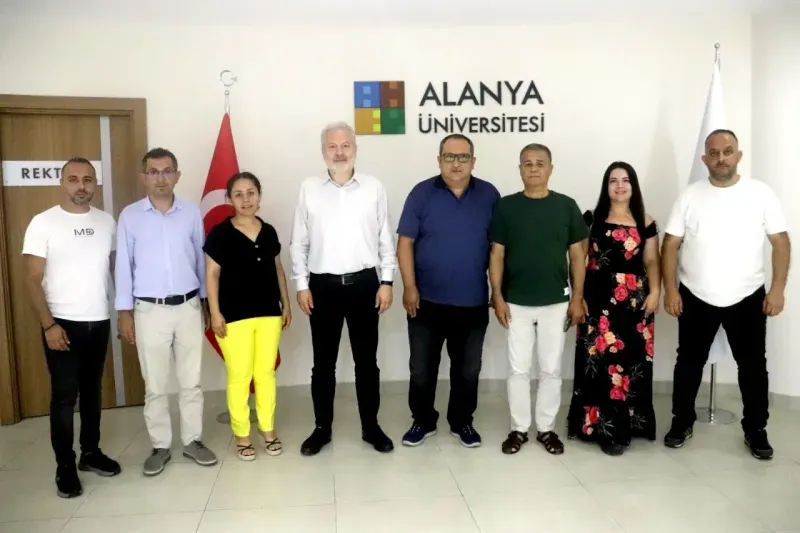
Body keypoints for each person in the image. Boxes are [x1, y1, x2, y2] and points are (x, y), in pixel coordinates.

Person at [661, 129, 790, 460]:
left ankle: (756, 430)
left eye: (727, 151)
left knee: (753, 367)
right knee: (688, 364)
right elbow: (671, 243)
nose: (721, 158)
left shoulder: (760, 194)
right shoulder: (690, 196)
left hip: (747, 296)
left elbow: (780, 241)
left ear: (738, 155)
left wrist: (777, 288)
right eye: (714, 153)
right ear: (705, 158)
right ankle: (681, 423)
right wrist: (671, 289)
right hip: (695, 295)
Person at [290, 121, 397, 456]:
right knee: (323, 364)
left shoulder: (373, 187)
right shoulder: (309, 188)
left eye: (345, 146)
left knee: (367, 362)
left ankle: (371, 427)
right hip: (322, 287)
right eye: (332, 146)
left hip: (365, 284)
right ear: (323, 151)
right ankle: (322, 429)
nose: (339, 152)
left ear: (355, 149)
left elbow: (385, 238)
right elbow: (299, 241)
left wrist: (387, 281)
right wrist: (301, 285)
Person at [22, 157, 121, 498]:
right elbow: (32, 279)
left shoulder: (106, 222)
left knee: (93, 391)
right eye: (74, 179)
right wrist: (48, 324)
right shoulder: (43, 222)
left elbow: (114, 269)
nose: (81, 185)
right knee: (65, 397)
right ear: (63, 182)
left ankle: (90, 453)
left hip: (98, 320)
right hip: (61, 323)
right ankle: (65, 466)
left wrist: (122, 311)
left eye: (88, 179)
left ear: (95, 183)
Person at [115, 147, 218, 476]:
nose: (161, 178)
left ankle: (193, 441)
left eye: (167, 171)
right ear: (143, 177)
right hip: (149, 311)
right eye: (154, 171)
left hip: (188, 307)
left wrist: (205, 302)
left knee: (191, 382)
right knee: (155, 385)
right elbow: (123, 266)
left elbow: (201, 260)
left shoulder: (191, 213)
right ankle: (160, 446)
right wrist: (124, 311)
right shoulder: (130, 216)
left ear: (177, 175)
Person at [396, 134, 499, 448]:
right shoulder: (421, 193)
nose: (456, 163)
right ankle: (423, 420)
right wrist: (409, 287)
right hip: (425, 301)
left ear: (473, 161)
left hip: (472, 302)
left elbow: (499, 248)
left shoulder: (489, 195)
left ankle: (462, 421)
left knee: (468, 370)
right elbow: (405, 242)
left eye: (463, 157)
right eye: (449, 157)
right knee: (421, 369)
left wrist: (498, 291)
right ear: (439, 160)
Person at [489, 143, 588, 456]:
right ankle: (518, 429)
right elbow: (497, 254)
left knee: (550, 369)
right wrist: (497, 296)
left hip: (556, 302)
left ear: (550, 169)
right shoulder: (506, 207)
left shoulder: (566, 206)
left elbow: (578, 255)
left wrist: (577, 298)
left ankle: (546, 429)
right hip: (515, 302)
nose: (533, 168)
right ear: (520, 169)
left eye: (539, 163)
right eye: (527, 163)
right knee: (518, 369)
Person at [565, 162, 660, 456]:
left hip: (634, 304)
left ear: (633, 186)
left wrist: (656, 291)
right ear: (606, 186)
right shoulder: (591, 219)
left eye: (625, 180)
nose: (620, 186)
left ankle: (629, 425)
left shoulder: (645, 221)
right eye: (613, 181)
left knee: (630, 363)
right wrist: (577, 296)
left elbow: (652, 260)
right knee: (600, 365)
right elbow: (577, 259)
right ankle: (601, 429)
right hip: (597, 301)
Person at [204, 172, 292, 461]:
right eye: (238, 194)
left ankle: (268, 430)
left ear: (259, 196)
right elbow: (212, 274)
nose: (245, 199)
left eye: (251, 193)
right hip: (233, 316)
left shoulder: (269, 231)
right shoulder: (219, 233)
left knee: (265, 374)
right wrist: (214, 312)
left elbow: (278, 269)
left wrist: (286, 304)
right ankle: (242, 435)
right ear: (229, 199)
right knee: (240, 376)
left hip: (268, 313)